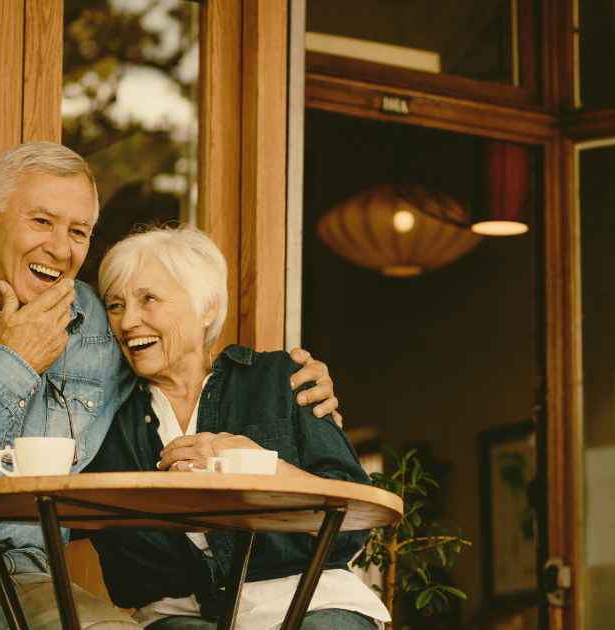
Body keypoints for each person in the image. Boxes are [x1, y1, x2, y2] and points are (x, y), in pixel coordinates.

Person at [0, 141, 341, 630]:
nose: (61, 248)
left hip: (27, 576)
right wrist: (12, 361)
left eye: (78, 232)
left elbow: (180, 361)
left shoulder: (102, 329)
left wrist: (296, 382)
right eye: (42, 222)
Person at [81, 224, 389, 630]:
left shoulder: (281, 379)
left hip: (310, 599)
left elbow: (352, 522)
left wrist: (264, 470)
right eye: (115, 305)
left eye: (149, 299)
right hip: (181, 615)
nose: (128, 321)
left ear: (206, 307)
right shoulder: (99, 410)